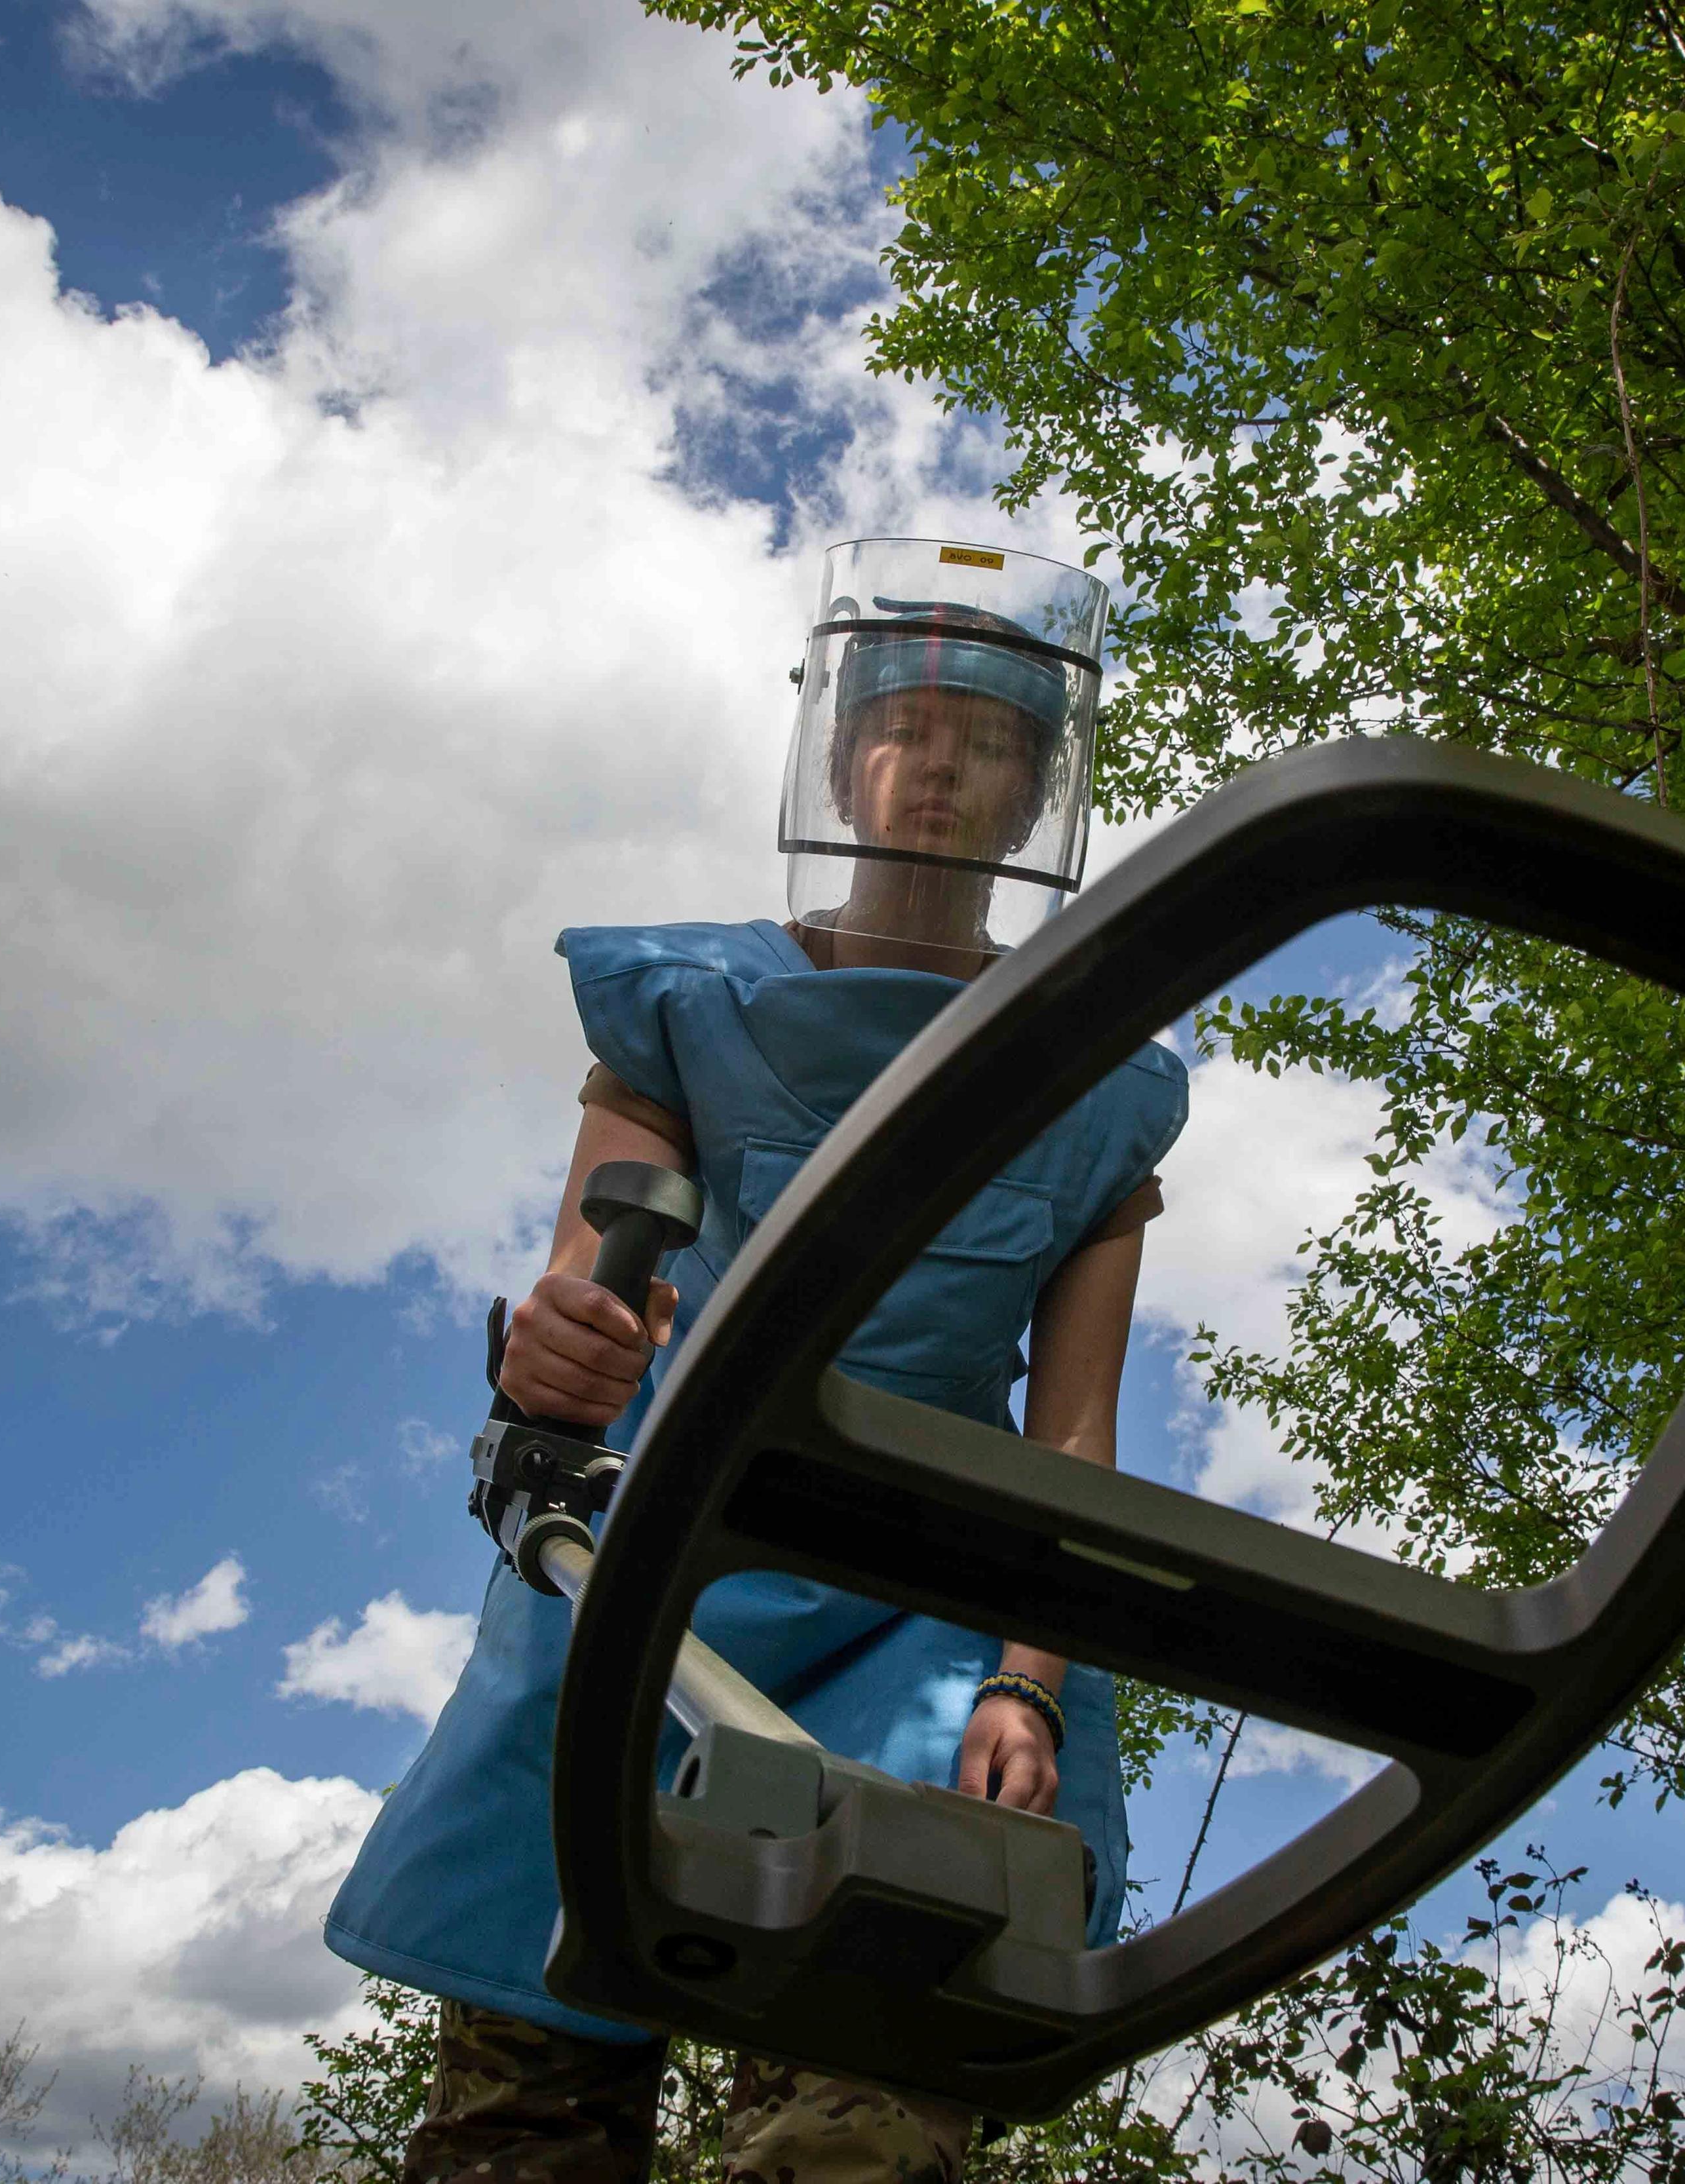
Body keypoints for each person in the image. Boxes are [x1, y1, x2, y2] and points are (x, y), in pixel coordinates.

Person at [322, 539, 1188, 2184]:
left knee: (867, 2109)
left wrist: (1026, 1677)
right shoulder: (687, 1002)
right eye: (906, 725)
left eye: (989, 739)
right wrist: (563, 1355)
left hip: (926, 1589)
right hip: (654, 1559)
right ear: (840, 751)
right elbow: (585, 1286)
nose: (938, 765)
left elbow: (1076, 1432)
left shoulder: (1097, 1079)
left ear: (1034, 794)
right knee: (527, 2106)